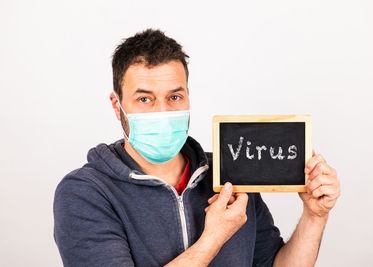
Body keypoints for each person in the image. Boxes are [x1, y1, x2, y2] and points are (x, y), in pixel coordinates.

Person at [53, 29, 340, 267]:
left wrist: (315, 216)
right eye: (144, 99)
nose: (162, 111)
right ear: (118, 106)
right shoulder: (85, 192)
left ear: (188, 97)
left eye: (174, 97)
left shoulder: (232, 173)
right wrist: (213, 238)